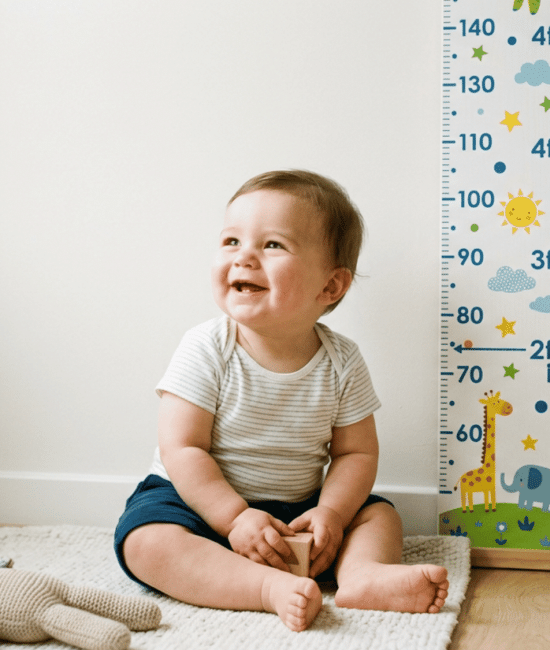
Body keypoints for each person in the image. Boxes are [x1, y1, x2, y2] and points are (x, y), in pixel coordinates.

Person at [114, 170, 449, 632]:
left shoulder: (342, 360)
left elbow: (356, 452)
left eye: (272, 245)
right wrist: (233, 519)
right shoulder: (207, 346)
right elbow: (181, 448)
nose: (244, 257)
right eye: (231, 240)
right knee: (147, 542)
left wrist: (330, 514)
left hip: (299, 511)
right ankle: (262, 588)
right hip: (198, 504)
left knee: (379, 516)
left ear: (330, 287)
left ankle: (360, 575)